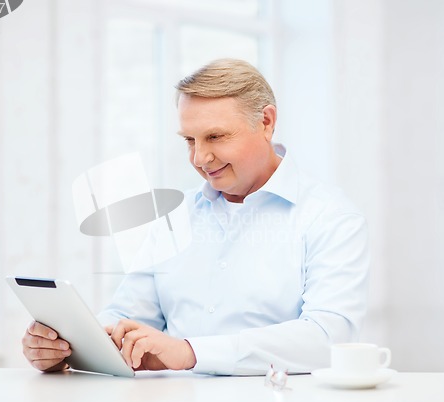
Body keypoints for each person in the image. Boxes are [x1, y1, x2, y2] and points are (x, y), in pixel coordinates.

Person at [22, 58, 369, 375]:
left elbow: (328, 339)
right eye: (190, 139)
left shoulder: (331, 218)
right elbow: (128, 315)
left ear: (266, 122)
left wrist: (190, 352)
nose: (200, 158)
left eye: (215, 137)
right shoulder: (176, 216)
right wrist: (70, 346)